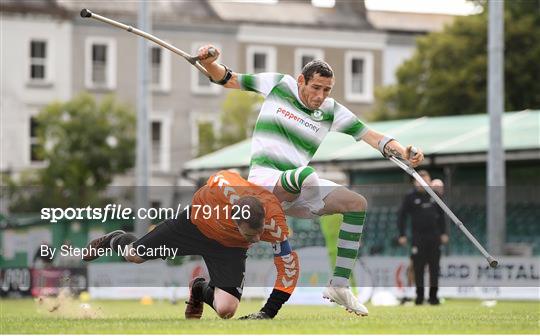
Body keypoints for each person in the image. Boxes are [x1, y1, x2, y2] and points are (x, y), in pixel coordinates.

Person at [195, 45, 425, 315]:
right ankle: (266, 223)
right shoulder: (280, 85)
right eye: (316, 88)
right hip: (265, 181)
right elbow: (227, 78)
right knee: (307, 176)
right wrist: (210, 63)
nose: (320, 96)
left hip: (299, 185)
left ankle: (340, 285)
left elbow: (372, 136)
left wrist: (404, 152)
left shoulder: (330, 110)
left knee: (356, 203)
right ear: (301, 80)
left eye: (327, 90)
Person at [83, 170, 299, 320]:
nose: (257, 239)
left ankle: (198, 288)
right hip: (192, 227)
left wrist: (269, 312)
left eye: (259, 232)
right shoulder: (222, 189)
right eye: (251, 235)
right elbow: (215, 181)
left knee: (226, 309)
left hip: (229, 247)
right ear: (234, 220)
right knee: (133, 255)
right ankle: (115, 239)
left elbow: (288, 267)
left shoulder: (274, 223)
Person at [397, 170, 448, 305]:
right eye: (419, 180)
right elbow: (401, 216)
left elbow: (442, 216)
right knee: (418, 268)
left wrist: (444, 233)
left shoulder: (435, 196)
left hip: (434, 237)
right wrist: (402, 234)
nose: (422, 183)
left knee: (434, 268)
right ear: (415, 182)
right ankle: (419, 297)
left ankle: (433, 297)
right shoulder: (410, 197)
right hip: (418, 238)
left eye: (425, 180)